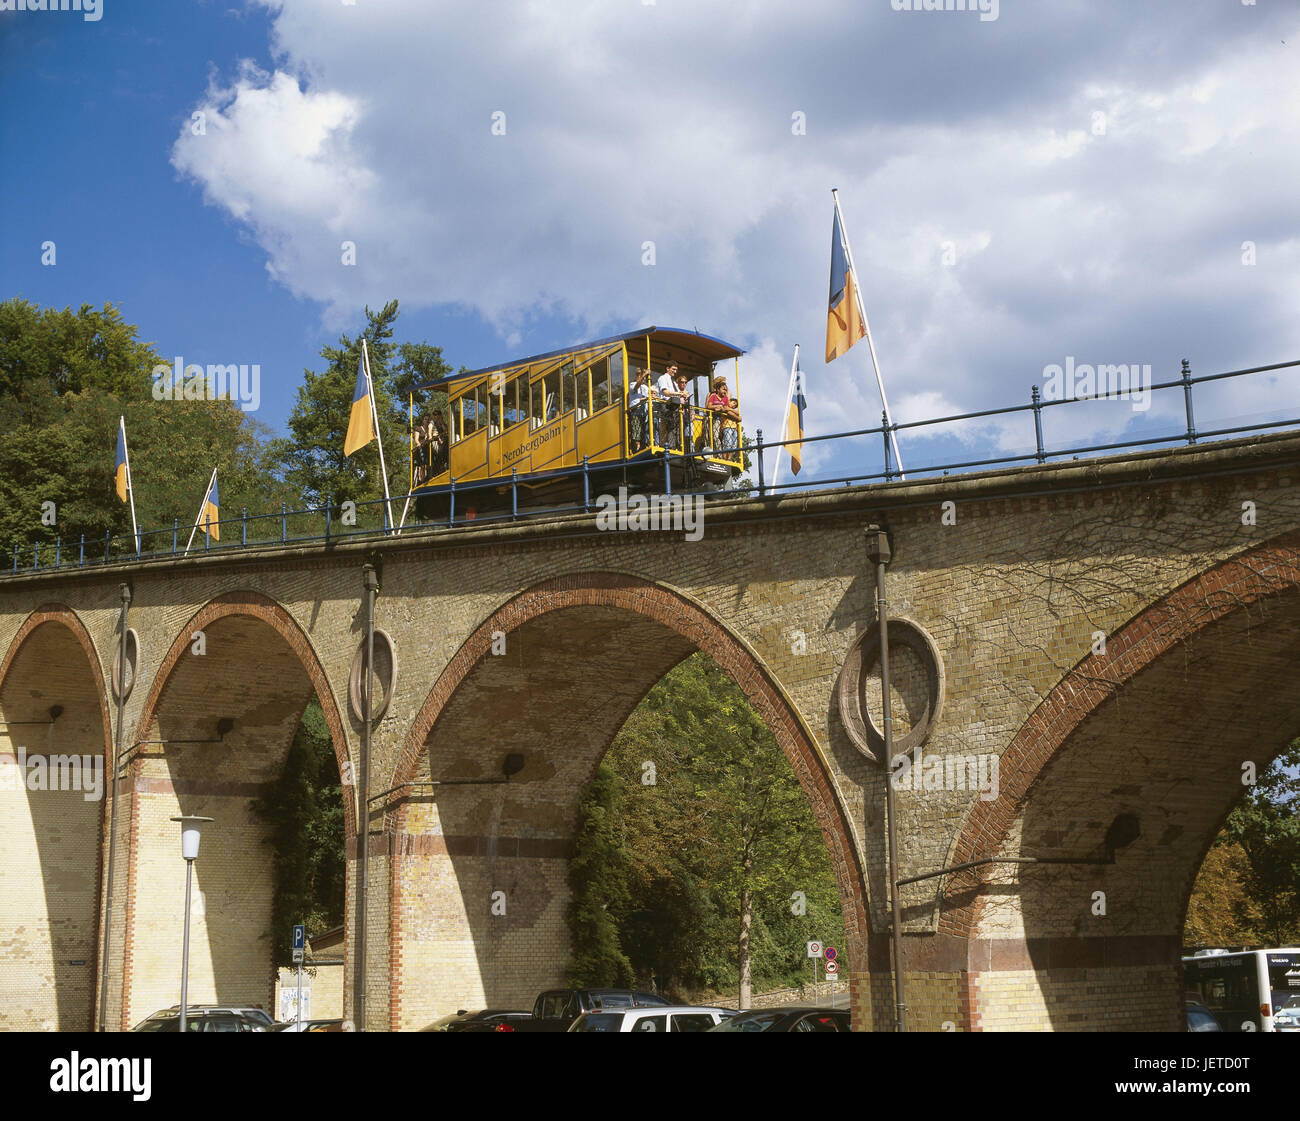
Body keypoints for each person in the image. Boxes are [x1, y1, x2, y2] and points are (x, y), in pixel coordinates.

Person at [656, 363, 689, 449]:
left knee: (676, 428)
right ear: (667, 368)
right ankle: (671, 446)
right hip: (666, 405)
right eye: (673, 369)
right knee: (670, 427)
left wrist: (684, 396)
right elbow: (665, 392)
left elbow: (677, 394)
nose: (675, 371)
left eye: (676, 370)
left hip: (675, 406)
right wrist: (680, 393)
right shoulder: (662, 378)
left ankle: (677, 446)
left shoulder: (673, 382)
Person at [706, 375, 741, 453]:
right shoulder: (712, 395)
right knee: (709, 437)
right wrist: (716, 407)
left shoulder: (725, 395)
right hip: (712, 417)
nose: (725, 386)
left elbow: (727, 407)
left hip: (722, 419)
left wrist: (736, 417)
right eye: (722, 383)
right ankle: (708, 452)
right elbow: (707, 406)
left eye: (725, 384)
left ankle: (719, 454)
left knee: (721, 437)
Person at [628, 367, 652, 452]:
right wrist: (644, 374)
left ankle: (645, 445)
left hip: (645, 410)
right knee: (636, 430)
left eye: (641, 375)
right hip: (636, 410)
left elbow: (648, 397)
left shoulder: (646, 387)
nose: (641, 376)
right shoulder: (632, 384)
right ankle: (636, 448)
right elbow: (636, 387)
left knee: (645, 429)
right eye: (639, 374)